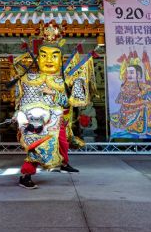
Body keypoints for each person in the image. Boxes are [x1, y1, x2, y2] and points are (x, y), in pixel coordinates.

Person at [14, 22, 94, 189]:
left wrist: (54, 94)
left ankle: (64, 163)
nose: (49, 60)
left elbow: (67, 102)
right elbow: (23, 103)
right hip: (38, 123)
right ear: (38, 58)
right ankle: (26, 175)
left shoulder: (63, 80)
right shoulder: (28, 79)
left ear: (61, 58)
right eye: (44, 55)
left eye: (54, 56)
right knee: (37, 148)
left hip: (59, 120)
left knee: (63, 143)